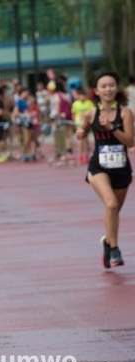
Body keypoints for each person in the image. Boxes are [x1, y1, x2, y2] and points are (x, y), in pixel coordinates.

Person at [75, 71, 134, 268]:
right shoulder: (91, 113)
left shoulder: (125, 112)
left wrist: (112, 128)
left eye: (111, 85)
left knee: (114, 210)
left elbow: (130, 141)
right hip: (98, 166)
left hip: (121, 167)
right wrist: (81, 133)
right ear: (96, 91)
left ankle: (107, 242)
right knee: (110, 204)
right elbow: (82, 130)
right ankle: (115, 249)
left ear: (116, 88)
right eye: (104, 86)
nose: (108, 89)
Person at [71, 88, 95, 164]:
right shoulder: (75, 104)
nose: (82, 97)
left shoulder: (89, 103)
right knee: (80, 141)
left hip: (87, 124)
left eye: (83, 95)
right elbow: (73, 114)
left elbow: (92, 113)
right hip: (79, 124)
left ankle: (87, 155)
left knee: (86, 140)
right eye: (80, 95)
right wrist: (74, 123)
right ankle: (81, 156)